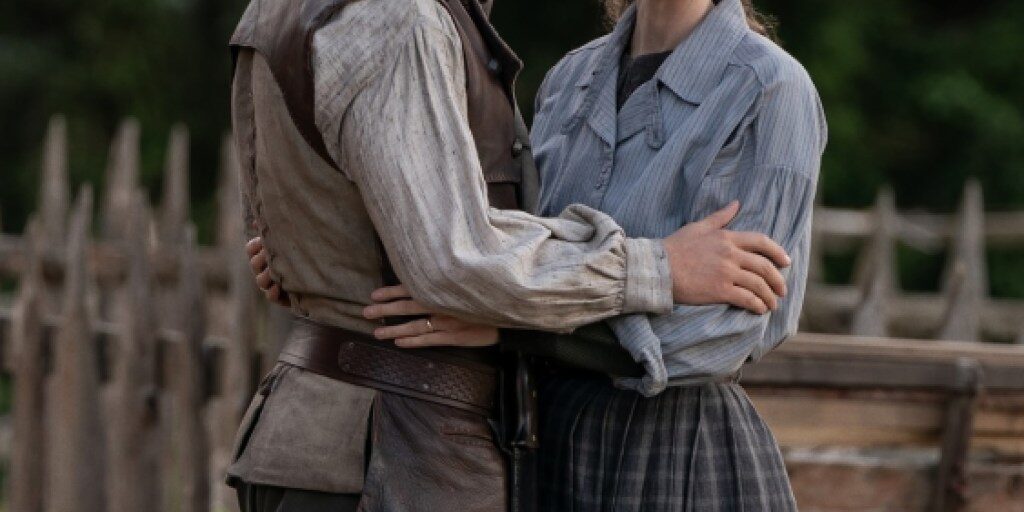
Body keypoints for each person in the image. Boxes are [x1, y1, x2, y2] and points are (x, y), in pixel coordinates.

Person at [227, 0, 792, 511]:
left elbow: (733, 326)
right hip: (396, 447)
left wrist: (317, 257)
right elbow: (458, 260)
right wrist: (658, 268)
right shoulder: (419, 24)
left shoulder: (278, 9)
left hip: (669, 453)